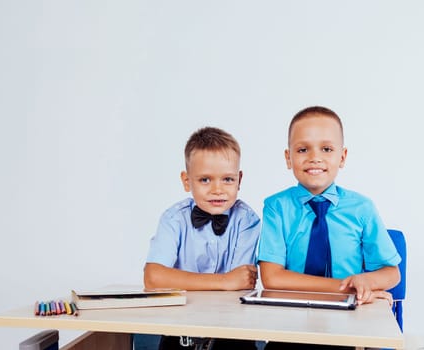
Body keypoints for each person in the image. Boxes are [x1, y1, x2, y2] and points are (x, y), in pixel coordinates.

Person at [258, 106, 401, 350]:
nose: (315, 158)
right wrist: (346, 288)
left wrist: (365, 282)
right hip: (290, 326)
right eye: (303, 149)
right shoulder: (276, 207)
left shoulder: (362, 208)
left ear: (342, 157)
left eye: (327, 149)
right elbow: (271, 278)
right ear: (288, 157)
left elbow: (391, 273)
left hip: (349, 325)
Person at [144, 126, 261, 350]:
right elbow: (153, 278)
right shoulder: (173, 219)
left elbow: (241, 283)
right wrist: (224, 281)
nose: (217, 190)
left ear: (239, 179)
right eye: (205, 180)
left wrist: (179, 280)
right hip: (180, 330)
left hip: (233, 333)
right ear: (187, 181)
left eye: (227, 179)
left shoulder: (247, 221)